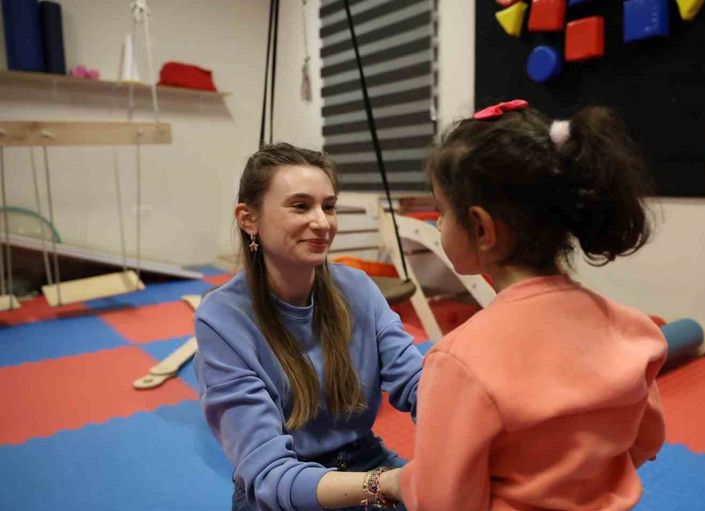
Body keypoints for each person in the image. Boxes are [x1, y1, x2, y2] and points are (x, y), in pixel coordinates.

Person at [389, 100, 668, 510]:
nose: (438, 224)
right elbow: (648, 439)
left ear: (481, 228)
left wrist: (399, 481)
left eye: (442, 212)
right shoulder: (636, 330)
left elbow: (442, 501)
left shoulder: (459, 361)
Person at [193, 142, 421, 511]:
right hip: (285, 487)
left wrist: (463, 420)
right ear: (249, 219)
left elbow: (416, 382)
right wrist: (387, 484)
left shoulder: (358, 289)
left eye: (328, 206)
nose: (322, 223)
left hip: (366, 459)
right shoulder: (221, 319)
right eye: (300, 206)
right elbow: (270, 476)